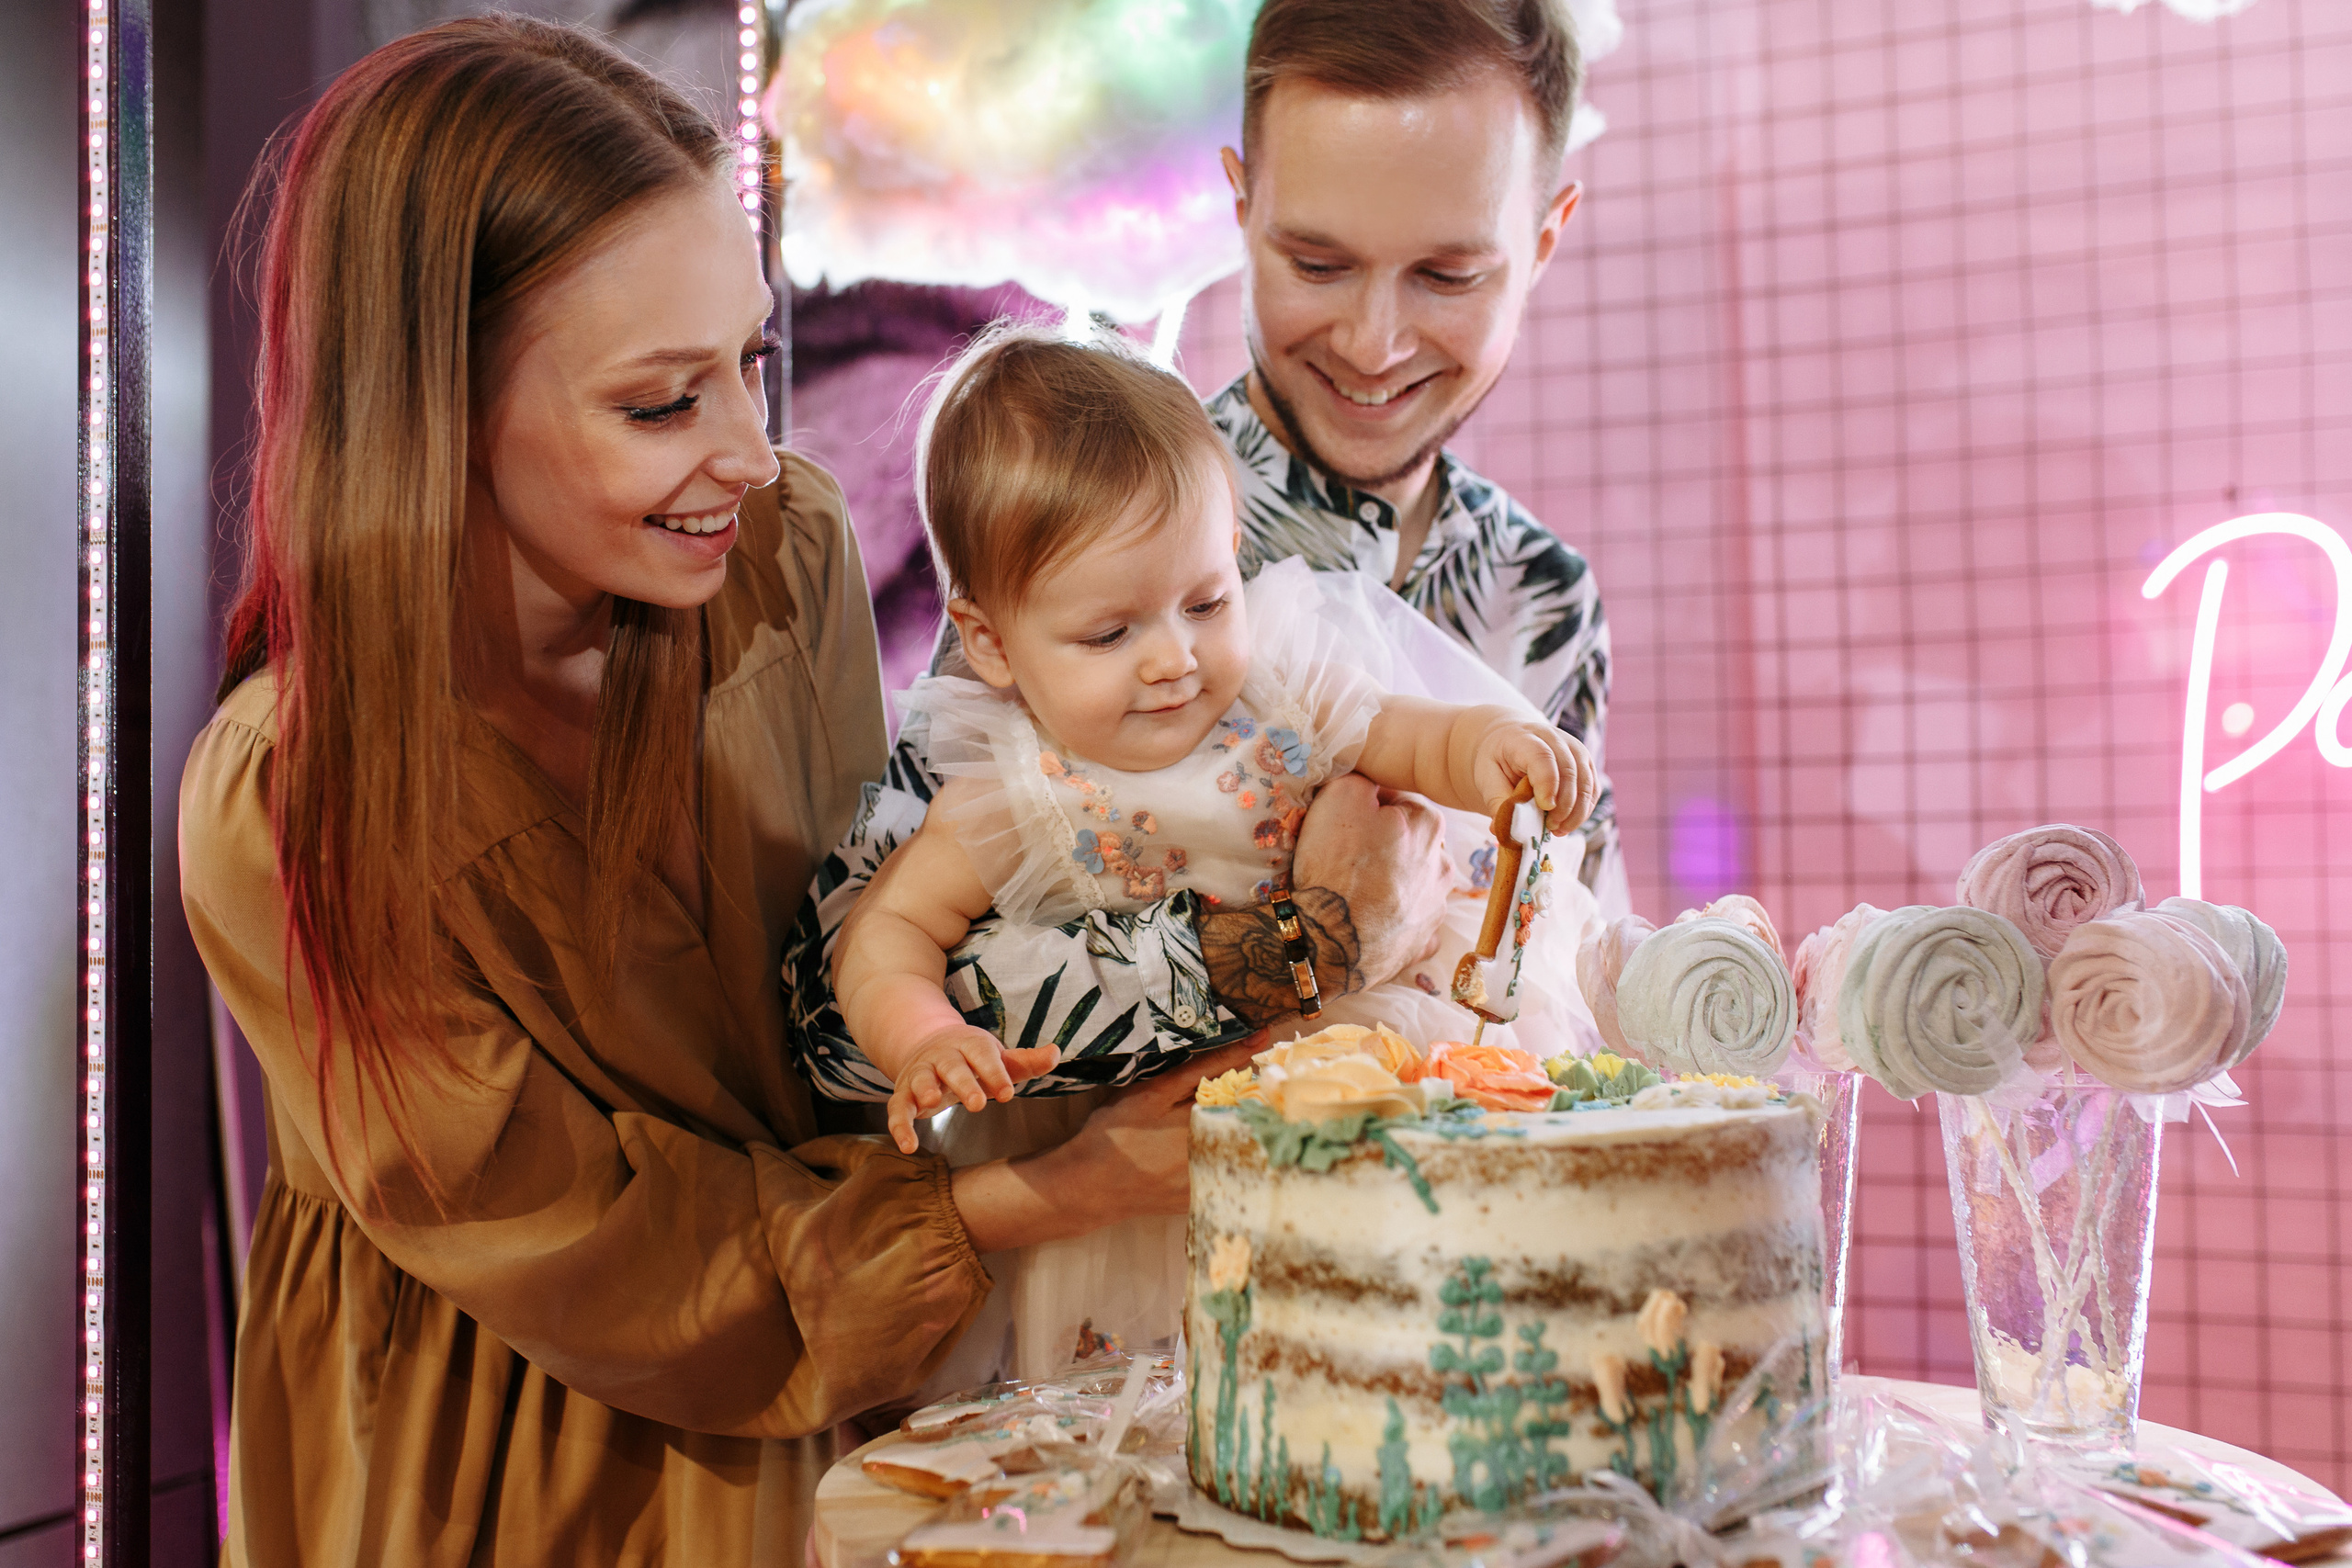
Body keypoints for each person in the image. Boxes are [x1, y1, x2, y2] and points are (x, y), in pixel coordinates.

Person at [178, 18, 1252, 1564]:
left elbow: (848, 968)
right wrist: (1058, 1193)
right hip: (493, 1445)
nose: (754, 453)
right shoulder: (286, 796)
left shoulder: (783, 554)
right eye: (661, 405)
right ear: (433, 413)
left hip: (850, 1353)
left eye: (749, 362)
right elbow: (597, 1247)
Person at [788, 0, 1615, 1126]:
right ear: (1241, 204)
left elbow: (1564, 956)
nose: (1374, 343)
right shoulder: (1087, 518)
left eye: (1447, 276)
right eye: (1317, 263)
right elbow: (834, 1025)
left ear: (1547, 234)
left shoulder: (1545, 595)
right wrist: (1298, 945)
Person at [834, 324, 1597, 1153]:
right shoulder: (1012, 798)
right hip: (1155, 1150)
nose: (1174, 659)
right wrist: (925, 1037)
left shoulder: (1282, 691)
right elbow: (886, 936)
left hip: (1370, 1065)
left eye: (1205, 604)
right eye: (1108, 635)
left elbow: (1419, 738)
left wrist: (1493, 749)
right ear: (989, 641)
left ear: (1235, 560)